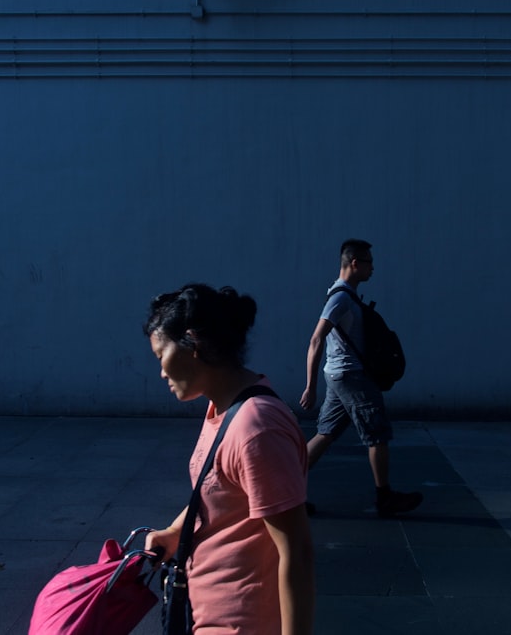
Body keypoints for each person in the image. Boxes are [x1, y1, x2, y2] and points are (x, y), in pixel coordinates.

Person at [143, 283, 315, 635]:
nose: (161, 371)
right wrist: (175, 533)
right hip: (209, 612)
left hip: (242, 623)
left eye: (161, 355)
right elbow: (217, 489)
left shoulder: (256, 427)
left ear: (193, 343)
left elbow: (296, 553)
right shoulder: (223, 408)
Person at [299, 239, 423, 517]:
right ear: (355, 263)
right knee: (377, 434)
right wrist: (310, 386)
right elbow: (317, 338)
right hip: (351, 377)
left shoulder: (343, 295)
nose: (373, 269)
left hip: (340, 375)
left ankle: (286, 495)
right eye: (369, 263)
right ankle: (385, 497)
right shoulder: (340, 297)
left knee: (324, 434)